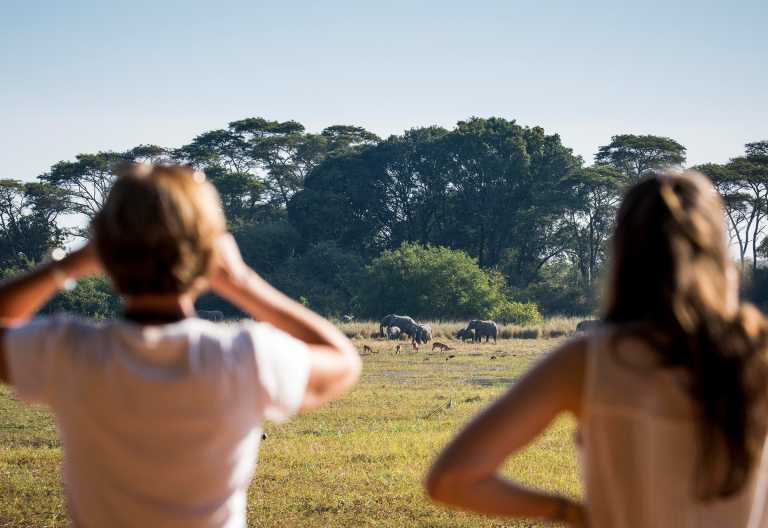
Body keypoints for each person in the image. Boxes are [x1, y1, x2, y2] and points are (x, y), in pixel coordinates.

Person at [0, 164, 361, 527]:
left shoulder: (68, 351)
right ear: (209, 253)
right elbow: (344, 360)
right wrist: (242, 282)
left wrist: (68, 265)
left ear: (106, 251)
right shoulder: (244, 356)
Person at [425, 170, 768, 527]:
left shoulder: (587, 361)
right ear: (719, 257)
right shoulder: (759, 353)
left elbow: (451, 479)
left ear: (623, 255)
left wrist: (566, 510)